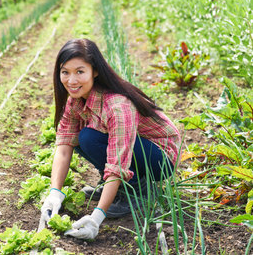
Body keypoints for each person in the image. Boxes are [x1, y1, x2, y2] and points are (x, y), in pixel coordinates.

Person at [39, 38, 181, 240]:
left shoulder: (118, 106)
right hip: (136, 150)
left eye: (80, 72)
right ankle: (118, 187)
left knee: (88, 137)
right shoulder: (75, 100)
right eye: (65, 72)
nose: (71, 80)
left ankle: (138, 191)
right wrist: (54, 193)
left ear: (94, 71)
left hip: (160, 157)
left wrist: (96, 218)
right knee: (79, 137)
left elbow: (117, 163)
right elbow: (63, 146)